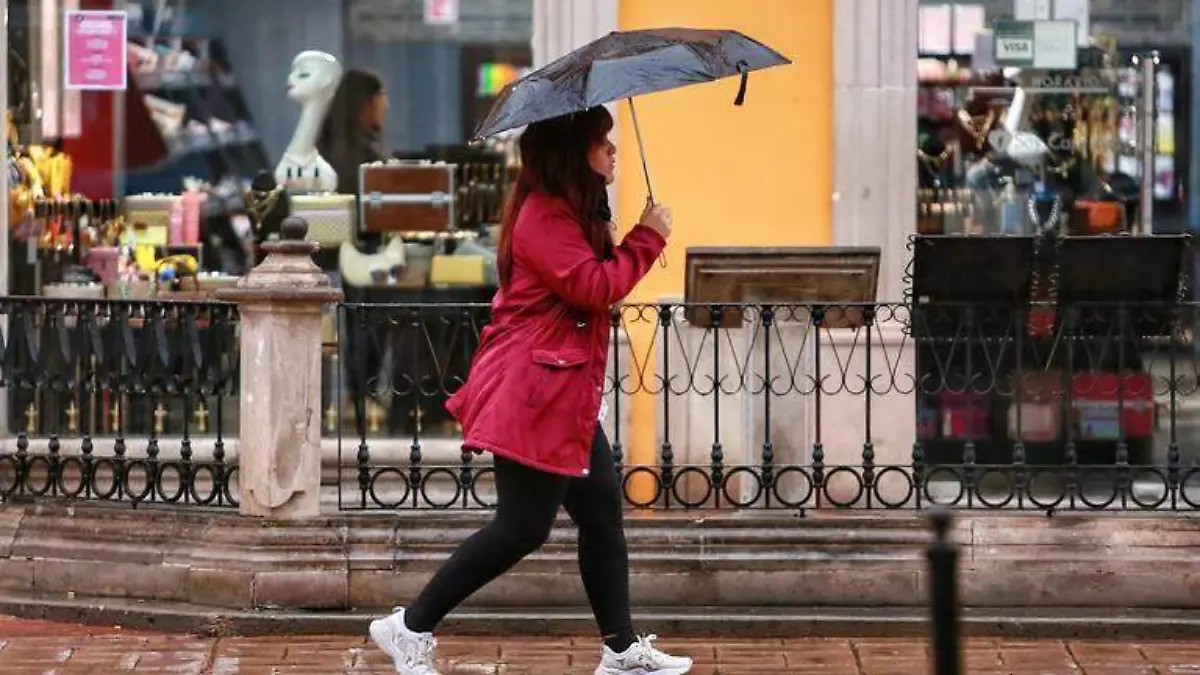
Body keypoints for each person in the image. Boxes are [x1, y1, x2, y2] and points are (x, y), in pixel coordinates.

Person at [366, 106, 690, 675]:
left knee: (602, 516)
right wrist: (647, 239)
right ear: (572, 152)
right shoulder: (545, 216)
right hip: (535, 393)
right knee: (521, 528)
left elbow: (590, 289)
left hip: (565, 391)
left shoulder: (572, 212)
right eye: (602, 142)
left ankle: (620, 651)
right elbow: (593, 288)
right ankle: (409, 626)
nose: (613, 151)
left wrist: (621, 236)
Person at [317, 68, 389, 195]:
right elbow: (376, 199)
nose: (387, 106)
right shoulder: (369, 162)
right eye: (383, 97)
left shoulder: (319, 149)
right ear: (368, 103)